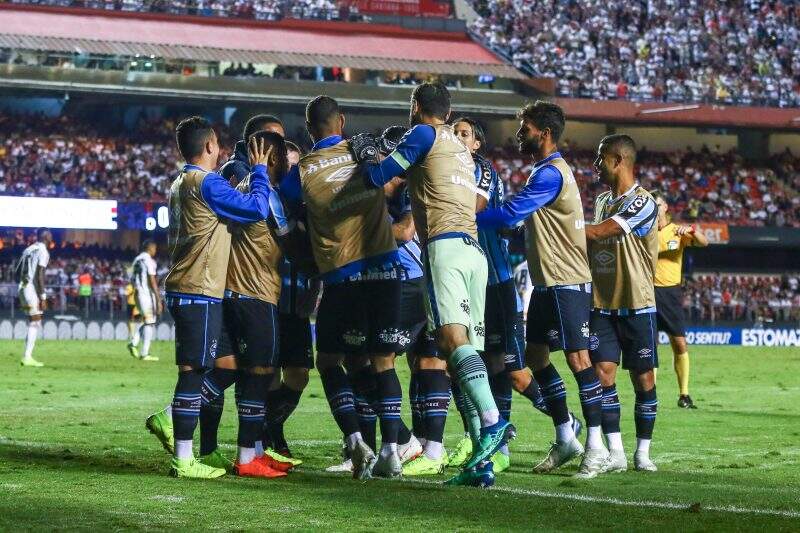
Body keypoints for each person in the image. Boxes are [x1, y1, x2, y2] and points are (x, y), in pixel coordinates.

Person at [351, 81, 513, 487]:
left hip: (443, 249)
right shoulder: (461, 148)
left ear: (416, 105)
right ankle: (482, 463)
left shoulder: (423, 133)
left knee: (451, 343)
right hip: (475, 253)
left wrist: (366, 155)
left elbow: (379, 176)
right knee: (465, 356)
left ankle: (494, 423)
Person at [475, 101, 604, 479]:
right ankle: (566, 434)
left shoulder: (550, 175)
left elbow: (512, 214)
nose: (519, 134)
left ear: (543, 133)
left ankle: (595, 447)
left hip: (567, 281)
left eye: (525, 128)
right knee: (536, 357)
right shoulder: (544, 172)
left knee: (580, 361)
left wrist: (465, 217)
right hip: (548, 282)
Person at [280, 96, 406, 479]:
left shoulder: (301, 172)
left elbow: (284, 208)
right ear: (342, 121)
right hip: (386, 269)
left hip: (342, 277)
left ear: (308, 129)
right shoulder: (362, 150)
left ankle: (355, 442)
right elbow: (393, 180)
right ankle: (391, 452)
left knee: (330, 361)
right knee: (382, 362)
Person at [144, 116, 272, 479]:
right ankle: (183, 459)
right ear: (210, 147)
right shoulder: (207, 182)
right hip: (197, 289)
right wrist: (260, 171)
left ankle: (170, 417)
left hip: (197, 289)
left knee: (226, 366)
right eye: (219, 145)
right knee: (193, 371)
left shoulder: (181, 181)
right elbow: (256, 209)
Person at [451, 116, 580, 474]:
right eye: (453, 133)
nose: (457, 138)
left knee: (510, 368)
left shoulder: (483, 170)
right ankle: (483, 437)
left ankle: (564, 425)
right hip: (467, 281)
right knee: (476, 364)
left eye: (465, 134)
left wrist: (445, 216)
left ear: (477, 143)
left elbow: (489, 213)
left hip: (496, 281)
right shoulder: (448, 170)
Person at [219, 114, 308, 465]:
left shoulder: (260, 187)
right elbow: (287, 239)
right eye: (277, 147)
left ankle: (261, 442)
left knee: (277, 374)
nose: (284, 155)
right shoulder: (252, 185)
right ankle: (250, 451)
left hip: (267, 293)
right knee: (258, 372)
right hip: (255, 291)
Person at [585, 134, 660, 474]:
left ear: (618, 161)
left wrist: (561, 225)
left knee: (643, 380)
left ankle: (642, 452)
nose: (596, 165)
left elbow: (602, 233)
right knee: (603, 376)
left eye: (601, 158)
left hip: (638, 304)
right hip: (602, 304)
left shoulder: (645, 202)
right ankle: (615, 451)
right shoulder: (601, 200)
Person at [652, 192, 708, 409]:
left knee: (679, 343)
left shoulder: (677, 231)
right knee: (650, 346)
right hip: (648, 292)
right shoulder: (644, 233)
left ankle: (684, 394)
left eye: (657, 204)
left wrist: (693, 230)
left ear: (665, 206)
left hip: (671, 293)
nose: (654, 209)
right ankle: (651, 395)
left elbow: (704, 242)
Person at [15, 227, 52, 367]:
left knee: (33, 320)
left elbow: (17, 270)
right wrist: (43, 297)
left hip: (22, 288)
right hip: (30, 289)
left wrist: (22, 284)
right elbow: (40, 274)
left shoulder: (28, 249)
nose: (51, 237)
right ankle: (27, 357)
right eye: (50, 235)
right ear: (45, 236)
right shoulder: (43, 251)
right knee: (36, 321)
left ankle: (27, 355)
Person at [129, 239, 162, 362]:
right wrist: (158, 299)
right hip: (146, 295)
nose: (155, 251)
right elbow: (152, 281)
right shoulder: (149, 261)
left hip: (137, 294)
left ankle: (134, 343)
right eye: (155, 249)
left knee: (146, 319)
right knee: (150, 321)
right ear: (150, 248)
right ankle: (144, 352)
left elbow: (131, 278)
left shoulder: (136, 260)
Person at [125, 282, 143, 355]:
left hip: (136, 305)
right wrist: (132, 291)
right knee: (131, 320)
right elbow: (126, 293)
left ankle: (134, 336)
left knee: (138, 320)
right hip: (130, 304)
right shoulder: (129, 286)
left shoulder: (138, 286)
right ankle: (133, 336)